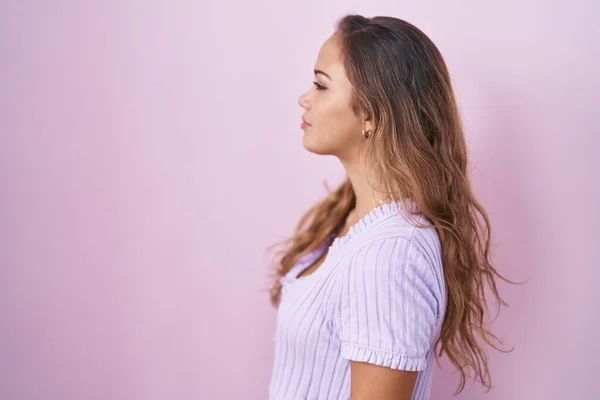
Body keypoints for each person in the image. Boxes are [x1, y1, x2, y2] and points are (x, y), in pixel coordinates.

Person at [267, 14, 510, 400]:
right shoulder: (350, 220)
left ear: (371, 114)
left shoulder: (389, 254)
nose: (305, 98)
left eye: (320, 85)